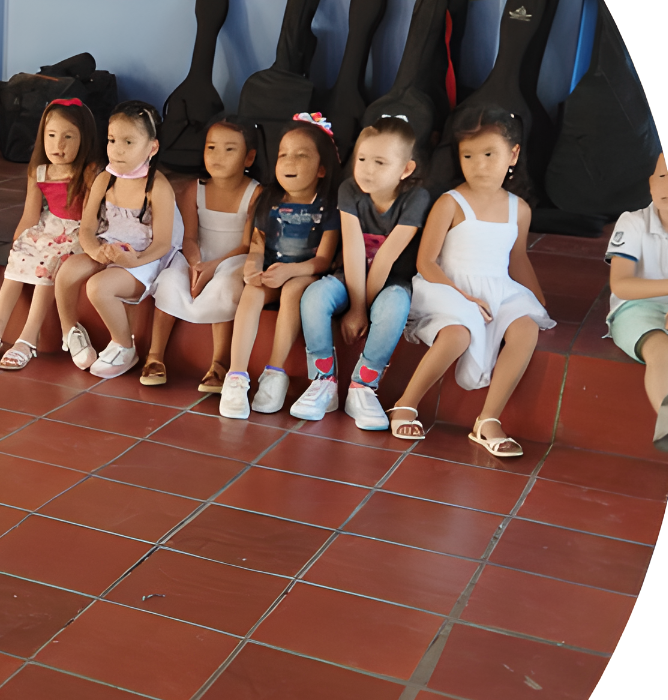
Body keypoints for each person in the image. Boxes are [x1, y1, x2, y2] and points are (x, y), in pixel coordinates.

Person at [386, 105, 555, 456]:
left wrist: (538, 301)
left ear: (513, 155)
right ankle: (405, 404)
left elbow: (517, 258)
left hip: (496, 288)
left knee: (526, 328)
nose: (479, 164)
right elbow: (426, 262)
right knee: (458, 334)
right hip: (446, 287)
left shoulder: (519, 209)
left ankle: (488, 420)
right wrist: (463, 296)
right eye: (468, 155)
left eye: (490, 154)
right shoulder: (451, 203)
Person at [292, 113, 433, 429]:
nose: (367, 169)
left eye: (380, 163)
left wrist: (364, 310)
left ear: (406, 169)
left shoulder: (416, 198)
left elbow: (385, 259)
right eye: (362, 159)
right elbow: (354, 250)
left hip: (390, 281)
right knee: (315, 296)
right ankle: (323, 381)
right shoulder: (350, 190)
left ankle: (363, 386)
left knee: (395, 305)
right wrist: (355, 307)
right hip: (351, 276)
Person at [0, 98, 100, 370]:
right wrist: (19, 242)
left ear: (84, 138)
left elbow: (89, 220)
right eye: (51, 135)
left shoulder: (89, 172)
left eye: (68, 137)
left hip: (78, 231)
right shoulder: (39, 171)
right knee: (19, 257)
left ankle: (27, 339)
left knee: (49, 263)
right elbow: (30, 214)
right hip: (49, 226)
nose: (58, 144)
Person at [219, 117, 341, 418]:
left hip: (304, 275)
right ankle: (236, 376)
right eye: (283, 154)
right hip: (272, 272)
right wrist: (252, 266)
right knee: (252, 291)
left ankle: (275, 372)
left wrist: (291, 271)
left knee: (293, 290)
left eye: (301, 155)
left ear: (322, 168)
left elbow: (323, 260)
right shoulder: (269, 199)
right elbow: (257, 245)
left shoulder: (328, 205)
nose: (289, 161)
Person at [51, 101, 180, 380]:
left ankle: (124, 345)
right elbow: (87, 229)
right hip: (109, 246)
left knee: (98, 287)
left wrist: (134, 260)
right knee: (67, 271)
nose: (117, 149)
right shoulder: (105, 179)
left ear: (152, 148)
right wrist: (95, 251)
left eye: (128, 142)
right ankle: (70, 330)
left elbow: (162, 244)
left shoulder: (157, 187)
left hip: (144, 258)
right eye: (112, 140)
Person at [145, 116, 262, 390]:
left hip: (233, 259)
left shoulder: (255, 193)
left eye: (229, 149)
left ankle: (219, 363)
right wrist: (196, 263)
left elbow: (247, 245)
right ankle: (154, 355)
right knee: (171, 279)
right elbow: (189, 237)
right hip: (198, 254)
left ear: (249, 157)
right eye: (211, 148)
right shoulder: (194, 189)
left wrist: (212, 267)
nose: (218, 156)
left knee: (223, 286)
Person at [606, 151, 668, 439]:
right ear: (651, 183)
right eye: (662, 176)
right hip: (637, 309)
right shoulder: (633, 222)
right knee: (663, 352)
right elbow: (621, 285)